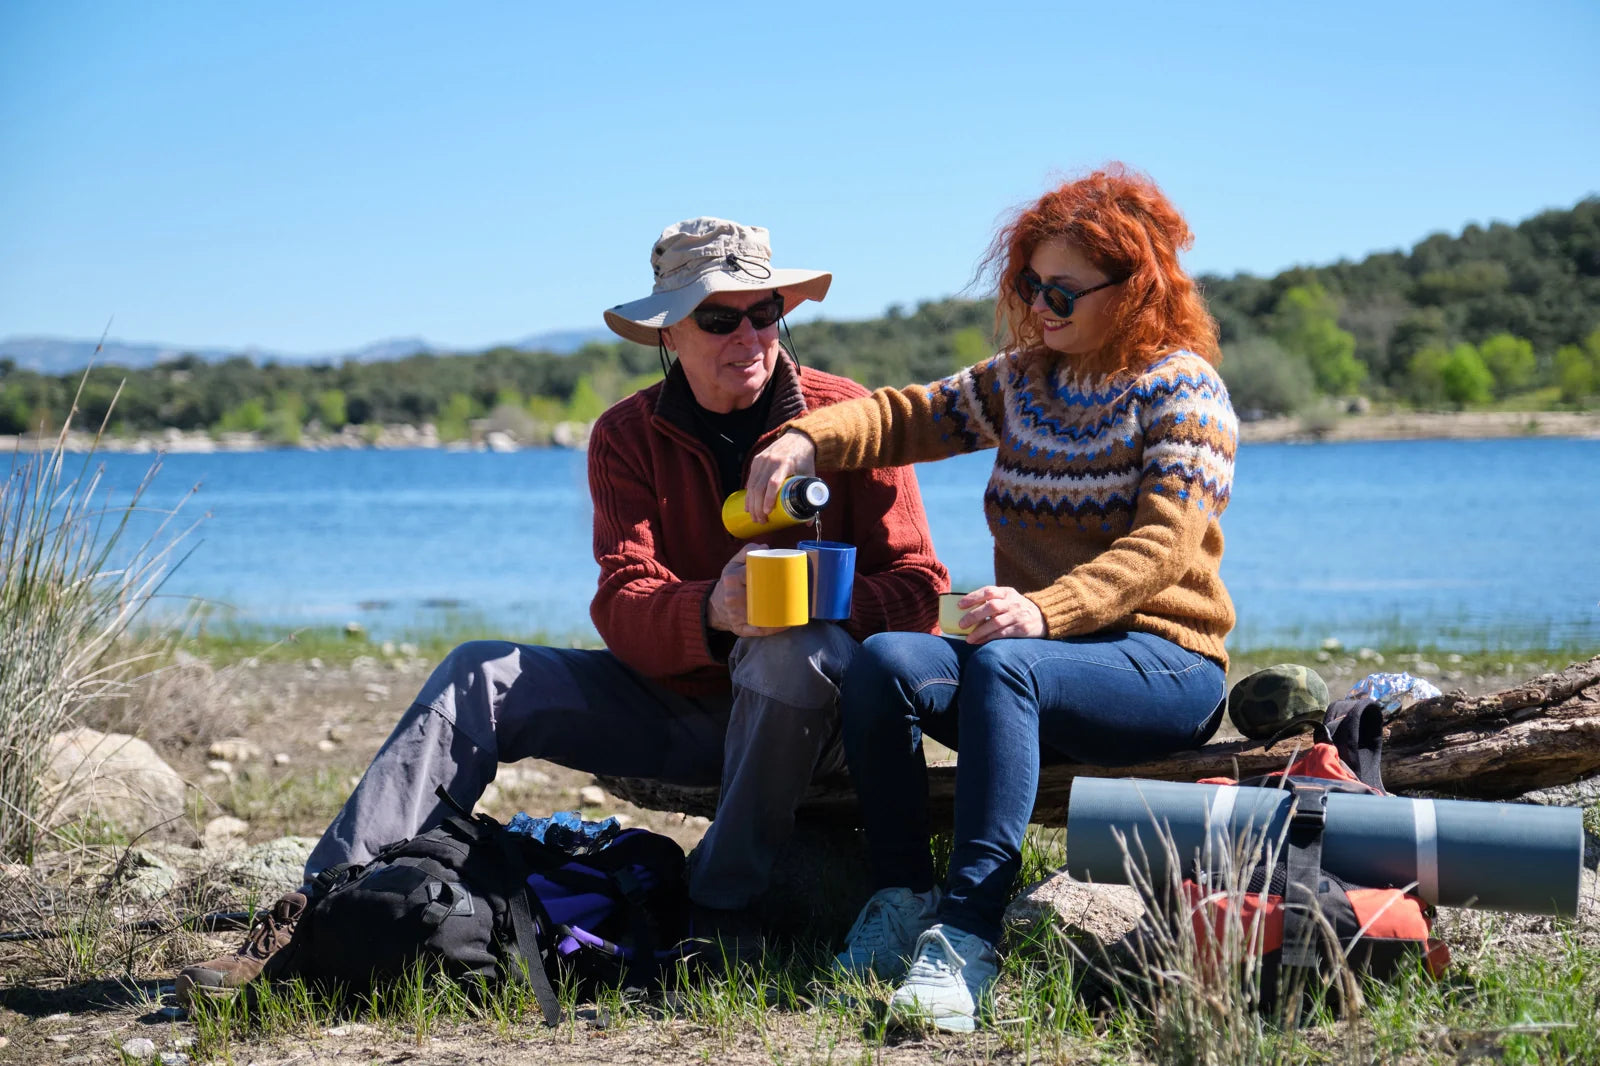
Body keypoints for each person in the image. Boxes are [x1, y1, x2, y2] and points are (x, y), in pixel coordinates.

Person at [175, 217, 947, 1006]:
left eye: (765, 311)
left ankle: (716, 910)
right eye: (719, 317)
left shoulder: (850, 417)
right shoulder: (626, 435)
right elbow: (623, 599)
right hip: (680, 711)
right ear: (669, 332)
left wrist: (814, 603)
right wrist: (711, 611)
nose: (748, 335)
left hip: (823, 724)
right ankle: (322, 913)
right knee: (479, 673)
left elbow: (919, 590)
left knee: (789, 649)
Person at [741, 166, 1237, 1031]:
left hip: (1164, 665)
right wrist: (803, 438)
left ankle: (967, 937)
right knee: (887, 661)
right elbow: (905, 416)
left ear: (1135, 287)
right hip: (1037, 666)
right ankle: (901, 900)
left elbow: (1163, 547)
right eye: (1028, 285)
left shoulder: (1182, 389)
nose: (1040, 305)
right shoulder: (1025, 381)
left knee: (1006, 663)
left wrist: (1047, 612)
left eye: (1061, 290)